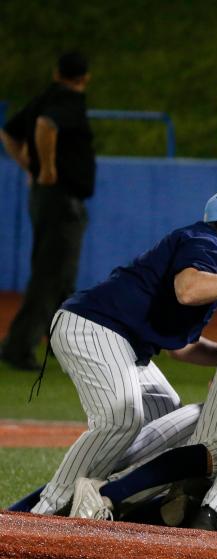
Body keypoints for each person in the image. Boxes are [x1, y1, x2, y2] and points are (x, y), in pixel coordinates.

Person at [30, 188, 217, 516]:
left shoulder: (211, 258)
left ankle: (103, 492)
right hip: (94, 328)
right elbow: (188, 290)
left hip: (122, 342)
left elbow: (182, 348)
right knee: (121, 418)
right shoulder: (208, 244)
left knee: (172, 423)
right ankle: (47, 509)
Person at [1, 52, 95, 370]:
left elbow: (9, 132)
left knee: (61, 276)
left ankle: (63, 345)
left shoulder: (44, 97)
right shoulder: (68, 101)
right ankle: (18, 346)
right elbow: (45, 125)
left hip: (49, 199)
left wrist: (30, 165)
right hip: (60, 200)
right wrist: (47, 169)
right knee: (51, 276)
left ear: (56, 72)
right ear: (85, 77)